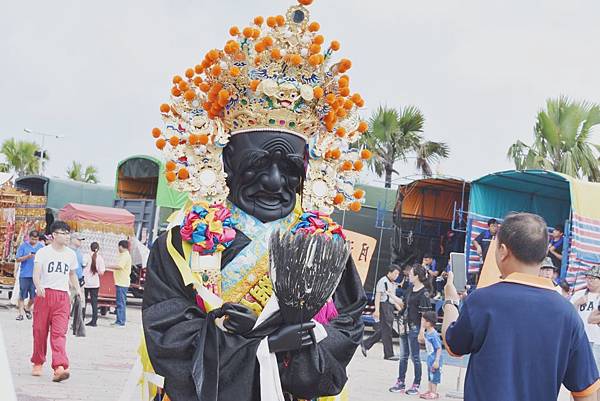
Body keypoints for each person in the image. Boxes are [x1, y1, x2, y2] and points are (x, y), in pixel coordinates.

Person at [443, 213, 599, 401]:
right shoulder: (567, 313)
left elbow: (454, 346)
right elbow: (586, 393)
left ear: (502, 250)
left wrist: (450, 301)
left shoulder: (482, 301)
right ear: (543, 255)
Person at [31, 220, 81, 382]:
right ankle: (38, 361)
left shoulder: (71, 254)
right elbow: (36, 273)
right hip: (44, 296)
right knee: (39, 331)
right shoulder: (43, 252)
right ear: (54, 235)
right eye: (63, 233)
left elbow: (72, 274)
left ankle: (60, 367)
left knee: (59, 333)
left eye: (68, 234)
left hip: (62, 297)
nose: (67, 237)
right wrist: (38, 285)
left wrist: (77, 290)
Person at [389, 264, 432, 395]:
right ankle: (400, 381)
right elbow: (403, 304)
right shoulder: (410, 288)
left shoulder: (424, 293)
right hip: (404, 325)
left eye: (411, 273)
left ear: (417, 276)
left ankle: (416, 383)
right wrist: (391, 295)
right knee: (403, 356)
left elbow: (425, 315)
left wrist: (421, 332)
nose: (409, 275)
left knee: (415, 357)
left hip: (415, 327)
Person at [362, 265, 401, 360]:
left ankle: (366, 343)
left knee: (385, 329)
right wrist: (377, 310)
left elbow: (393, 298)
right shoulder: (383, 281)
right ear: (390, 272)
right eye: (395, 273)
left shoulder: (392, 283)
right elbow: (378, 296)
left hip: (390, 306)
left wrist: (399, 308)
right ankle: (389, 354)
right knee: (387, 330)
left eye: (398, 274)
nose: (396, 276)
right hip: (384, 305)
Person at [573, 266, 600, 370]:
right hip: (582, 337)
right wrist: (577, 303)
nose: (589, 281)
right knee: (580, 369)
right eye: (587, 278)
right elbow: (568, 315)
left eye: (592, 278)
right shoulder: (578, 294)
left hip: (597, 338)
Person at [15, 230, 43, 321]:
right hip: (24, 274)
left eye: (36, 239)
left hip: (36, 275)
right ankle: (20, 314)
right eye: (32, 239)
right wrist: (27, 257)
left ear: (38, 239)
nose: (34, 241)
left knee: (34, 296)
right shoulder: (23, 246)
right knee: (22, 294)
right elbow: (18, 259)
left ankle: (27, 308)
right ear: (29, 237)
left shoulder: (41, 247)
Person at [418, 311, 442, 400]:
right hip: (430, 357)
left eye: (424, 321)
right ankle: (430, 390)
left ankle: (434, 392)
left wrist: (437, 361)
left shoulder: (434, 335)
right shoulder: (428, 333)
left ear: (428, 322)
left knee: (434, 376)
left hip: (434, 358)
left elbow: (439, 348)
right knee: (430, 375)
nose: (422, 323)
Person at [83, 242, 105, 327]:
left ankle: (81, 319)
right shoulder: (100, 258)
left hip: (85, 282)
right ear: (98, 249)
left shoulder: (86, 256)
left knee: (83, 301)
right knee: (94, 302)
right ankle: (94, 321)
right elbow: (102, 272)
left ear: (90, 247)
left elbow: (83, 265)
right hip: (95, 283)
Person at [112, 240, 131, 327]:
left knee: (120, 303)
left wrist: (107, 266)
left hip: (122, 282)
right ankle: (119, 320)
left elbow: (120, 266)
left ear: (121, 246)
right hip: (121, 281)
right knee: (120, 302)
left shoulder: (125, 256)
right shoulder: (124, 255)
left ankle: (120, 321)